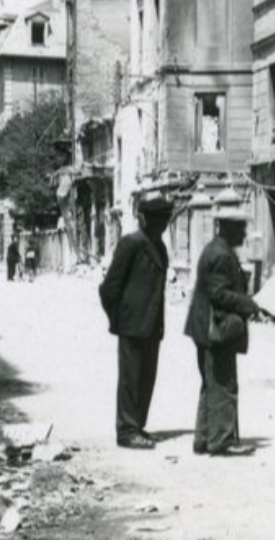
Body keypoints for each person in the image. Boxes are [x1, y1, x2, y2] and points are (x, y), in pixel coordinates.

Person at [99, 191, 174, 450]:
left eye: (165, 220)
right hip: (132, 325)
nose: (163, 225)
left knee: (146, 378)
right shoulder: (131, 243)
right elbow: (109, 288)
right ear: (147, 220)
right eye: (159, 220)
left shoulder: (160, 248)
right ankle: (127, 430)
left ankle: (137, 425)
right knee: (131, 380)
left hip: (152, 324)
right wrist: (119, 319)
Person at [184, 208, 262, 457]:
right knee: (223, 383)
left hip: (205, 327)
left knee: (211, 383)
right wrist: (248, 304)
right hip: (215, 328)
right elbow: (219, 294)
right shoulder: (220, 254)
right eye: (240, 228)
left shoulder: (216, 250)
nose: (244, 233)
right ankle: (222, 440)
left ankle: (204, 438)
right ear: (226, 228)